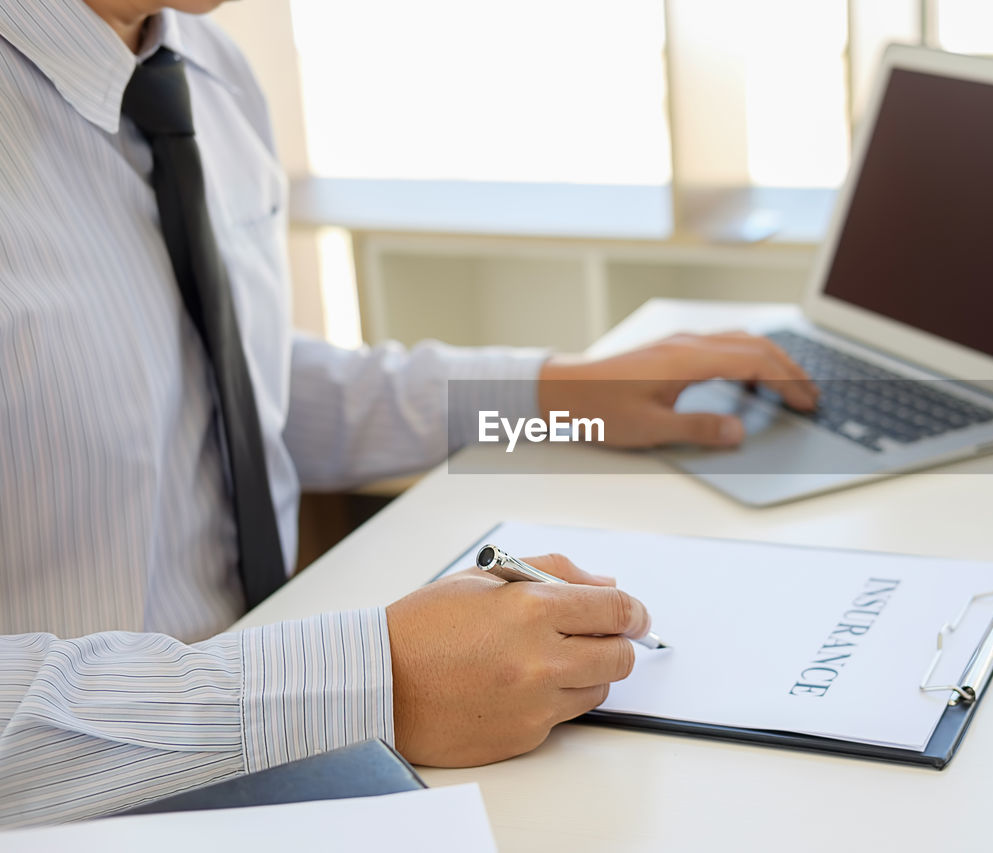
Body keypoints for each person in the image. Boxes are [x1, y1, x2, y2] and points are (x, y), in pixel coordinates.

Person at [0, 0, 819, 828]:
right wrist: (367, 680)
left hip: (276, 732)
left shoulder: (207, 70)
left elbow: (228, 387)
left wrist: (552, 400)